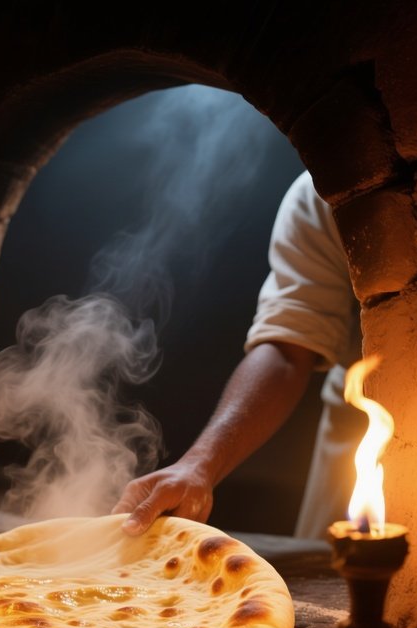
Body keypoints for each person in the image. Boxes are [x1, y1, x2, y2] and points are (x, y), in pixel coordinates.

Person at [112, 170, 365, 539]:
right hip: (362, 425)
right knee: (342, 579)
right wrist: (200, 465)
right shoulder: (322, 193)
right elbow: (288, 347)